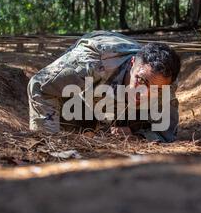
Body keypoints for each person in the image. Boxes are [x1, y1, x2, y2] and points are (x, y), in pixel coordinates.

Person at [27, 31, 181, 142]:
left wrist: (136, 134)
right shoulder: (92, 64)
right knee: (74, 119)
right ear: (132, 63)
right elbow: (40, 85)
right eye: (141, 81)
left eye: (156, 90)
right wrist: (49, 140)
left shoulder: (164, 86)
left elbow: (165, 132)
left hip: (114, 103)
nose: (144, 94)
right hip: (84, 94)